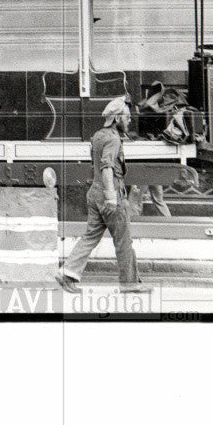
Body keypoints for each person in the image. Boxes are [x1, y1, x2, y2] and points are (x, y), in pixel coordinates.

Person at [55, 97, 149, 293]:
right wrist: (111, 197)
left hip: (94, 192)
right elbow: (107, 167)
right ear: (116, 118)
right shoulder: (114, 139)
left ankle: (67, 272)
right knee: (124, 241)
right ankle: (129, 285)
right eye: (127, 117)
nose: (130, 120)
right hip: (110, 192)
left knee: (90, 236)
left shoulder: (98, 135)